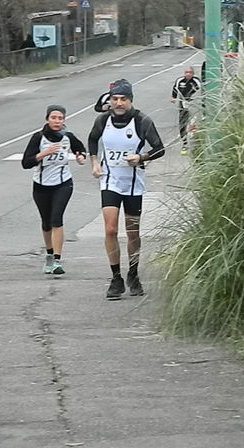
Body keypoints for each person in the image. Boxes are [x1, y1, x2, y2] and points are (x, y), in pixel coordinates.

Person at [88, 80, 165, 299]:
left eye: (123, 99)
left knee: (132, 233)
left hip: (132, 182)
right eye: (115, 99)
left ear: (130, 100)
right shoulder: (103, 120)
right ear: (110, 100)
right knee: (110, 229)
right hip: (110, 180)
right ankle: (116, 278)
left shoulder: (142, 121)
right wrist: (95, 162)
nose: (119, 103)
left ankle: (133, 273)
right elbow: (92, 139)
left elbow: (160, 148)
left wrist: (141, 157)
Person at [22, 105, 86, 275]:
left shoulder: (67, 137)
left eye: (60, 118)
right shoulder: (38, 138)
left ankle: (57, 260)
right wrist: (43, 154)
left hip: (63, 183)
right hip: (41, 185)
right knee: (46, 222)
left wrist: (81, 156)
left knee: (56, 219)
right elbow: (26, 162)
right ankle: (49, 255)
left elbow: (80, 148)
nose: (57, 121)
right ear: (47, 119)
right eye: (54, 118)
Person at [170, 66, 202, 155]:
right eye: (186, 72)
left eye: (190, 72)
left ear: (193, 73)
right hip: (183, 104)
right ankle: (184, 144)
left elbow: (201, 91)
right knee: (182, 124)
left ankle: (196, 143)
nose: (188, 74)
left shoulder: (196, 81)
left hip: (194, 104)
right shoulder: (180, 81)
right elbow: (175, 89)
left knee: (194, 123)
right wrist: (173, 97)